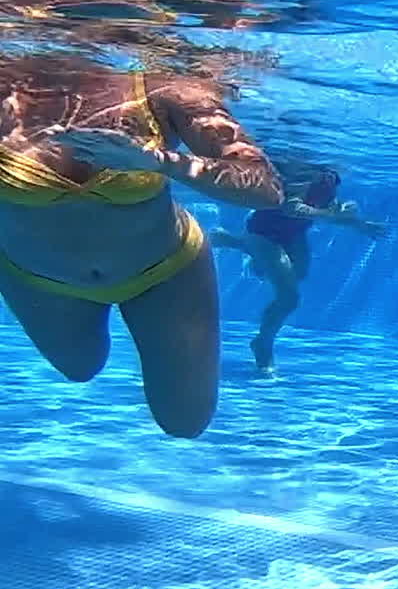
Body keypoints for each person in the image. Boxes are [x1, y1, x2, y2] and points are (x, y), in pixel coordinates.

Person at [0, 52, 282, 437]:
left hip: (165, 269)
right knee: (79, 368)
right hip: (34, 274)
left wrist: (157, 161)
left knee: (185, 422)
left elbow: (266, 188)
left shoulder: (169, 89)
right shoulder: (7, 93)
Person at [211, 160, 383, 377]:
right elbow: (292, 207)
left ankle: (240, 243)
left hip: (293, 235)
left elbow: (329, 208)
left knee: (299, 274)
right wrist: (331, 215)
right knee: (289, 298)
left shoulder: (328, 179)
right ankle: (263, 343)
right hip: (264, 233)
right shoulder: (303, 172)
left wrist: (359, 224)